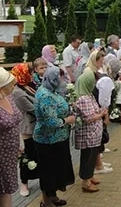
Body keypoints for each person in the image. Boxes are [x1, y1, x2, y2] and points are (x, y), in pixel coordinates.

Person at [33, 67, 75, 207]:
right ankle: (46, 202)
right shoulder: (45, 96)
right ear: (53, 79)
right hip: (48, 140)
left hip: (58, 138)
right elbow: (50, 121)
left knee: (57, 170)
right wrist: (67, 120)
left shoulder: (52, 90)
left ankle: (53, 197)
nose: (62, 80)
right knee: (48, 172)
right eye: (60, 77)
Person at [74, 69, 108, 193]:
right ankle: (86, 182)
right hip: (88, 134)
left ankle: (90, 176)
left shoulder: (88, 94)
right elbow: (88, 118)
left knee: (92, 156)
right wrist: (101, 114)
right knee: (87, 157)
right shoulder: (83, 98)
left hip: (93, 134)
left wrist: (100, 112)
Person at [11, 63, 39, 197]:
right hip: (27, 129)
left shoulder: (26, 86)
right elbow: (33, 109)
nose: (32, 74)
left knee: (35, 155)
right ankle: (24, 183)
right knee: (27, 157)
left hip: (34, 127)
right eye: (30, 72)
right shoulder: (17, 93)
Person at [0, 67, 22, 207]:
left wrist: (19, 143)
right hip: (1, 155)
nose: (14, 86)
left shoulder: (9, 97)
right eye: (11, 84)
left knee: (7, 189)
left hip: (10, 155)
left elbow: (16, 121)